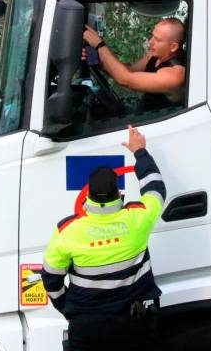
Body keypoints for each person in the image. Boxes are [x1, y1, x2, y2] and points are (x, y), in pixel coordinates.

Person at [41, 125, 166, 351]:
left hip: (87, 329)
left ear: (87, 195)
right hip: (133, 327)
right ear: (118, 194)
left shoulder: (67, 230)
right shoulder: (137, 218)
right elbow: (155, 189)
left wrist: (68, 308)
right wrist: (140, 152)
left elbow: (50, 279)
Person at [83, 18, 186, 111]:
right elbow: (129, 70)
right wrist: (96, 60)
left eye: (157, 40)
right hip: (143, 117)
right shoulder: (155, 55)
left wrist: (98, 44)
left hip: (155, 127)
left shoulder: (175, 75)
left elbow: (125, 79)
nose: (150, 42)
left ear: (173, 47)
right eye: (152, 36)